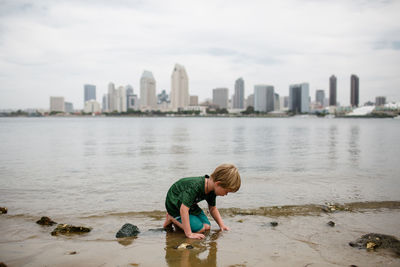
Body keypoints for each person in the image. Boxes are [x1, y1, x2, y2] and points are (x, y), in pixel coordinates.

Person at [163, 163, 241, 239]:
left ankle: (180, 223)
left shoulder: (212, 190)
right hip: (175, 204)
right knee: (200, 229)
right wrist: (189, 233)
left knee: (207, 227)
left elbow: (212, 208)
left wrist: (222, 225)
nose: (226, 194)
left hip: (190, 205)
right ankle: (171, 218)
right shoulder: (195, 187)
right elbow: (183, 209)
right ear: (218, 184)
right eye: (226, 191)